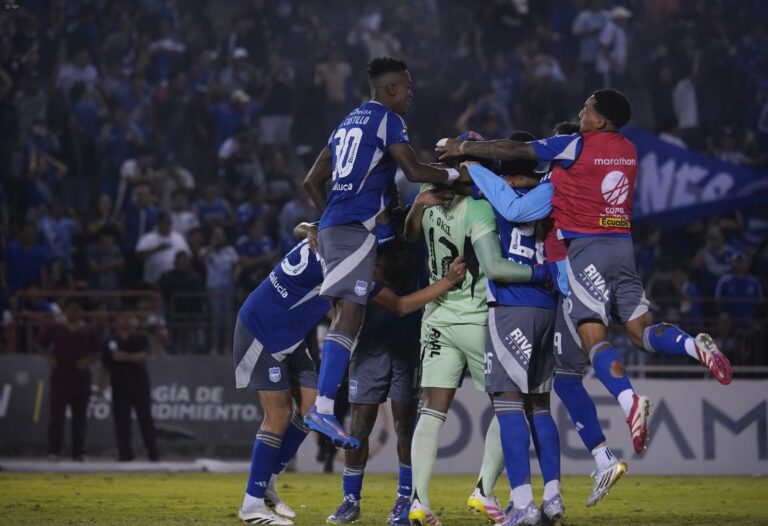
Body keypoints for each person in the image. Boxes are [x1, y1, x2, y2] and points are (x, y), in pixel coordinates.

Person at [437, 89, 733, 465]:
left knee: (591, 333)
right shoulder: (628, 149)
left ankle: (628, 402)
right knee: (641, 332)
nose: (582, 110)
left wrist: (464, 150)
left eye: (588, 107)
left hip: (585, 252)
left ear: (601, 119)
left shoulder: (574, 147)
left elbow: (518, 155)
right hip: (622, 247)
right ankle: (694, 347)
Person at [234, 223, 466, 525]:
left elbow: (300, 228)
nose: (374, 281)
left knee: (309, 408)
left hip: (290, 336)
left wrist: (308, 228)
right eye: (379, 276)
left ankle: (267, 484)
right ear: (377, 264)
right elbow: (398, 305)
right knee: (278, 415)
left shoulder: (337, 240)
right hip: (261, 330)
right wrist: (448, 281)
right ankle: (252, 504)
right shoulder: (353, 269)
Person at [301, 57, 465, 447]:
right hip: (354, 230)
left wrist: (327, 223)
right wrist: (460, 175)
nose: (411, 93)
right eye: (407, 86)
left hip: (340, 228)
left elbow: (311, 181)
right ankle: (322, 408)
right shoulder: (387, 120)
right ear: (391, 89)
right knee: (349, 317)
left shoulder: (346, 123)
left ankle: (323, 407)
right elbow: (413, 171)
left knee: (350, 315)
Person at [402, 145, 551, 525]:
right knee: (508, 405)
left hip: (436, 318)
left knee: (431, 411)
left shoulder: (427, 198)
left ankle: (419, 500)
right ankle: (484, 490)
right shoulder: (481, 208)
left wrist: (420, 205)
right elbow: (494, 267)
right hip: (479, 320)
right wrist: (542, 274)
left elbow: (409, 235)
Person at [463, 132, 563, 526]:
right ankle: (553, 497)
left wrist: (474, 155)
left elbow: (469, 189)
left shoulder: (491, 198)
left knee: (507, 406)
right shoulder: (550, 197)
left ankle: (523, 503)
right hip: (548, 309)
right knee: (540, 405)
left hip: (511, 306)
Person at [39, 300, 99, 461]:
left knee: (80, 418)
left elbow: (97, 351)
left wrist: (88, 360)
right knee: (57, 416)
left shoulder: (89, 330)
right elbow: (40, 343)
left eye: (77, 309)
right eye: (71, 309)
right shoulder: (56, 328)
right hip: (61, 377)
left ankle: (79, 451)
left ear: (81, 311)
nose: (74, 312)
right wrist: (49, 357)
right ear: (66, 311)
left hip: (81, 378)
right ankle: (54, 451)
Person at [100, 312, 159, 461]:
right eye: (122, 317)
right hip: (119, 385)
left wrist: (124, 357)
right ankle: (125, 453)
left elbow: (142, 356)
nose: (125, 320)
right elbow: (105, 365)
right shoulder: (110, 340)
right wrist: (101, 385)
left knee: (145, 419)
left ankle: (153, 452)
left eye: (128, 317)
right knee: (122, 422)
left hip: (139, 385)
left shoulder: (140, 338)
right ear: (117, 320)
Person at [135, 212, 191, 285]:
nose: (166, 226)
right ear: (158, 224)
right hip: (153, 281)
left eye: (168, 223)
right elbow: (138, 255)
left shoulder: (178, 237)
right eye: (163, 223)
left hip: (176, 281)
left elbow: (188, 255)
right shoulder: (148, 238)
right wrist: (157, 249)